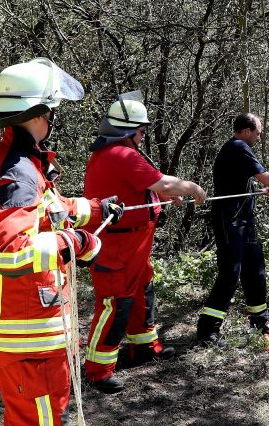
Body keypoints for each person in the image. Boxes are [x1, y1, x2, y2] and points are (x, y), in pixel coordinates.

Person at [0, 58, 122, 426]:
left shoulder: (21, 163)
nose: (52, 118)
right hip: (26, 326)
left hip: (30, 322)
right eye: (51, 111)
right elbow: (8, 248)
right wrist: (72, 245)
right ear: (35, 113)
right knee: (38, 422)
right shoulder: (18, 172)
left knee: (35, 418)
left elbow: (49, 210)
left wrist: (95, 210)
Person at [82, 92, 207, 394]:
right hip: (116, 246)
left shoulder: (118, 154)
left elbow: (142, 187)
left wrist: (162, 195)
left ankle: (144, 347)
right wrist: (191, 188)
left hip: (135, 243)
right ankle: (97, 370)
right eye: (141, 131)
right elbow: (162, 181)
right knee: (116, 304)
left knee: (141, 293)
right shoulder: (120, 154)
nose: (143, 136)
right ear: (128, 131)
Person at [196, 112, 269, 345]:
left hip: (245, 220)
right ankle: (207, 330)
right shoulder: (237, 146)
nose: (259, 137)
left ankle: (260, 321)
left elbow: (241, 183)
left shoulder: (239, 150)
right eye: (257, 132)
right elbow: (265, 176)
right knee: (230, 273)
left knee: (256, 269)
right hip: (229, 220)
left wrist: (259, 191)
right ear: (245, 131)